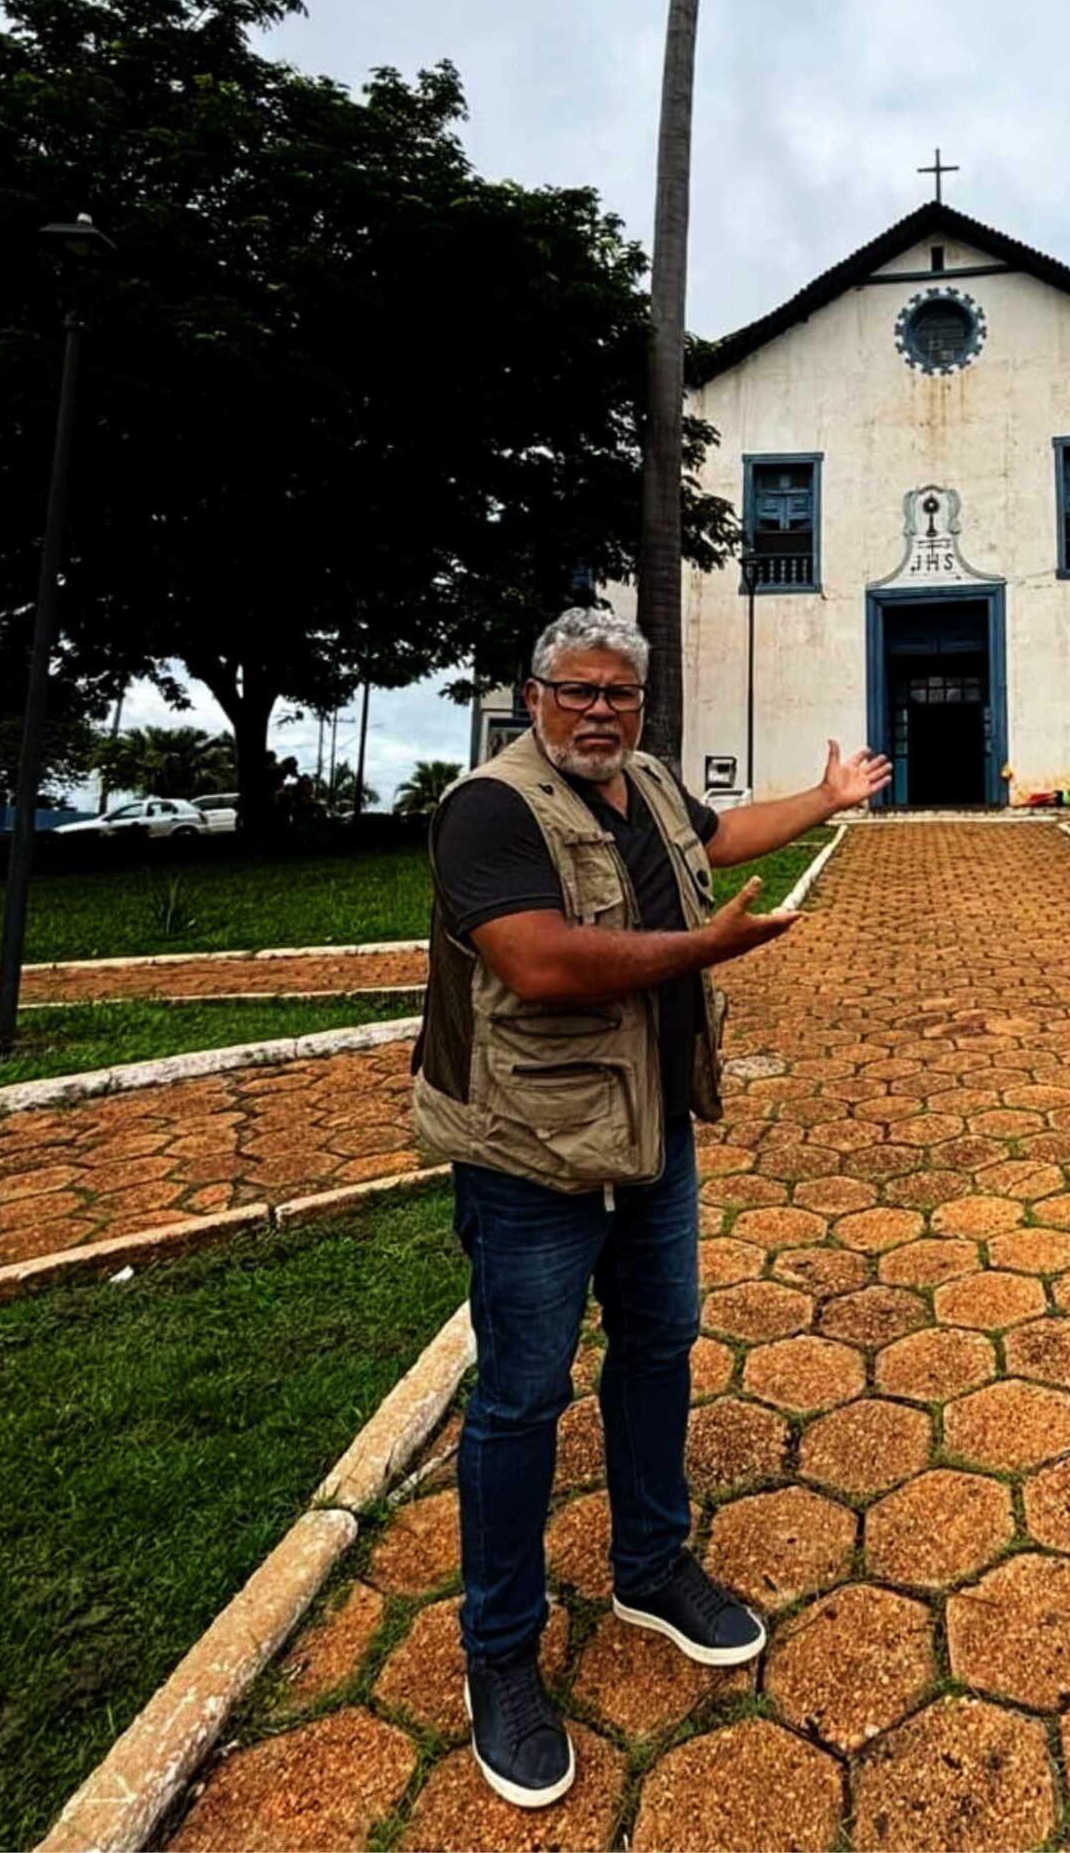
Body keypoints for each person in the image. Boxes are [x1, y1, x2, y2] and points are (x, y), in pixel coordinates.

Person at [411, 607, 889, 1811]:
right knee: (522, 1398)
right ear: (534, 696)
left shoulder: (649, 784)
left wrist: (824, 800)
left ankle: (647, 1565)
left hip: (650, 1133)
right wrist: (705, 951)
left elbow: (717, 837)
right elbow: (540, 961)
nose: (599, 712)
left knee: (660, 1348)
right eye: (577, 691)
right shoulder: (490, 809)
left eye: (620, 693)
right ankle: (501, 1653)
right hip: (531, 1151)